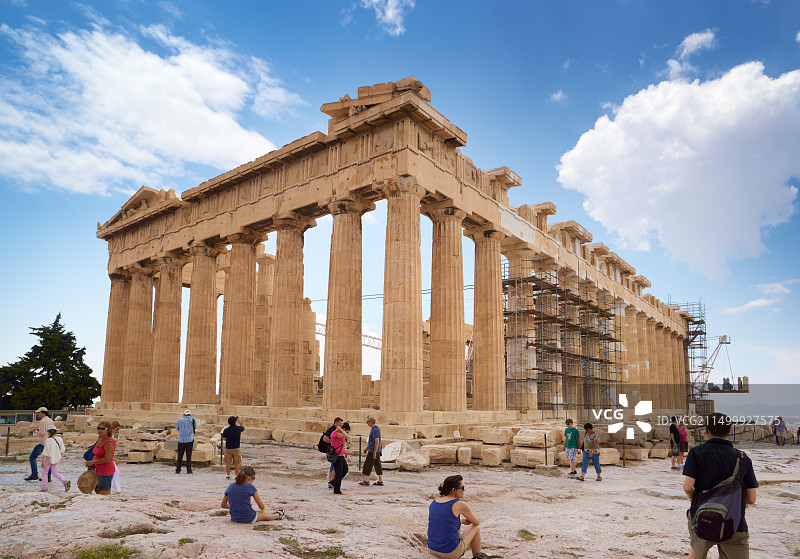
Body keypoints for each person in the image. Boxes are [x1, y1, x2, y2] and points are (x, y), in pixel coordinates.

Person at [683, 412, 758, 559]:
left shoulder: (696, 453)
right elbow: (752, 498)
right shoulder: (743, 458)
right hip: (734, 521)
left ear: (706, 430)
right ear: (729, 431)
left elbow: (687, 487)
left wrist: (695, 499)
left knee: (696, 552)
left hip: (703, 516)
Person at [427, 475, 487, 559]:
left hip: (432, 548)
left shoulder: (435, 501)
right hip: (449, 553)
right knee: (475, 528)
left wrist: (461, 521)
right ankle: (477, 557)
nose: (464, 490)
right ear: (453, 490)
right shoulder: (459, 504)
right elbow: (476, 522)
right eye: (462, 488)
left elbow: (442, 521)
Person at [85, 420, 116, 495]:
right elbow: (95, 455)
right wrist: (92, 466)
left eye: (102, 429)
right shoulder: (99, 440)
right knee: (96, 489)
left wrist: (93, 462)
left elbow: (107, 459)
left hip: (106, 470)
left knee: (105, 491)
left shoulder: (110, 442)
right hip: (97, 470)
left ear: (108, 430)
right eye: (98, 428)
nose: (100, 430)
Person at [25, 407, 54, 481]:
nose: (37, 414)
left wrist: (35, 432)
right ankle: (48, 476)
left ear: (43, 413)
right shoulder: (50, 420)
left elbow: (42, 433)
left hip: (42, 442)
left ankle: (34, 474)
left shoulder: (42, 421)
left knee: (32, 457)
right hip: (49, 441)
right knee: (48, 459)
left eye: (39, 412)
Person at [41, 425, 70, 492]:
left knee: (44, 472)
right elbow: (62, 449)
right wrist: (59, 456)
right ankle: (65, 481)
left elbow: (46, 452)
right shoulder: (60, 439)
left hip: (49, 458)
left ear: (48, 432)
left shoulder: (48, 440)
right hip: (57, 458)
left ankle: (45, 487)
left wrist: (42, 461)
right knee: (55, 473)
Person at [360, 417, 384, 486]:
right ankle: (380, 480)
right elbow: (372, 441)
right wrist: (367, 448)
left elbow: (377, 441)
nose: (367, 423)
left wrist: (374, 452)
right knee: (377, 465)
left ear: (371, 422)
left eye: (368, 422)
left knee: (368, 465)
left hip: (373, 451)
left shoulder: (375, 430)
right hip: (375, 450)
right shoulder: (374, 429)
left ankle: (366, 480)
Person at [322, 417, 343, 489]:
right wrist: (334, 442)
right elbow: (325, 439)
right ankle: (332, 481)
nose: (341, 425)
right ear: (336, 423)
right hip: (332, 450)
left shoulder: (337, 430)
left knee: (333, 465)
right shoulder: (331, 430)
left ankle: (330, 481)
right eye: (340, 423)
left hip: (335, 450)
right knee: (335, 466)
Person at [331, 421, 350, 495]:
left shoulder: (339, 433)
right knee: (339, 473)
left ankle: (334, 482)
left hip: (340, 455)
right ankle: (337, 490)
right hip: (337, 456)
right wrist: (341, 430)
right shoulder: (336, 433)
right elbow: (346, 436)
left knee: (345, 470)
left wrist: (344, 451)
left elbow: (341, 443)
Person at [175, 409, 196, 474]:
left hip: (181, 440)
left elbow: (177, 428)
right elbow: (195, 427)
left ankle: (178, 469)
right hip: (190, 439)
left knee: (180, 455)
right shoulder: (193, 420)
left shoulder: (180, 420)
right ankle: (189, 470)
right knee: (189, 455)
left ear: (184, 414)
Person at [110, 421, 122, 493]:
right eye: (117, 429)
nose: (117, 431)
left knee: (115, 472)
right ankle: (117, 490)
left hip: (109, 457)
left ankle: (117, 490)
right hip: (106, 458)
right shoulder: (108, 435)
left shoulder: (112, 435)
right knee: (115, 471)